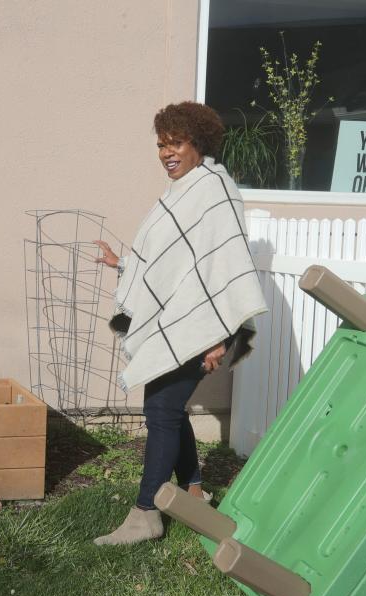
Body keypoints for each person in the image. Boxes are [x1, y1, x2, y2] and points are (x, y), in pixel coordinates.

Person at [92, 101, 268, 545]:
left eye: (176, 143)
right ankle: (192, 491)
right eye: (161, 144)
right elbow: (173, 263)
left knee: (162, 411)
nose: (166, 152)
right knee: (166, 410)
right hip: (183, 324)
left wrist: (219, 339)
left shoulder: (214, 189)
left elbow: (225, 268)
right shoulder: (181, 190)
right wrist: (125, 264)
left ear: (198, 143)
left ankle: (146, 513)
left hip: (204, 331)